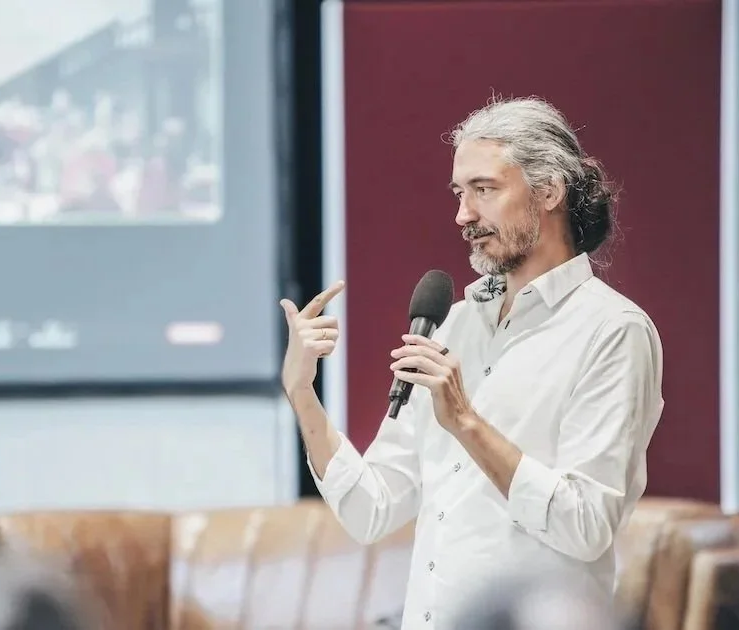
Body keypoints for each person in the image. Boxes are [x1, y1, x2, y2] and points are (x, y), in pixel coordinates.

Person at [279, 96, 664, 629]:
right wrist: (302, 392)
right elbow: (371, 509)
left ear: (549, 191)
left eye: (484, 190)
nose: (464, 215)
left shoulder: (613, 330)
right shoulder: (454, 323)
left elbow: (585, 525)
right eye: (460, 194)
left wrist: (465, 421)